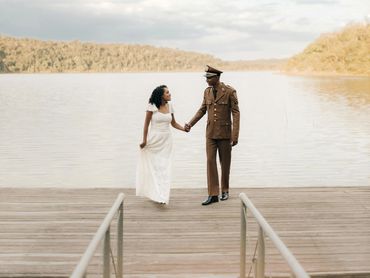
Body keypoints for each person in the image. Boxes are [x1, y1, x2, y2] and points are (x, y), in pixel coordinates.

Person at [185, 65, 240, 205]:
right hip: (210, 133)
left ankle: (225, 190)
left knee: (225, 163)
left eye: (209, 78)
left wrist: (235, 135)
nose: (207, 80)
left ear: (217, 77)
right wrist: (190, 124)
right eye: (206, 78)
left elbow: (236, 113)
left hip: (225, 133)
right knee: (210, 161)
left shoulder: (229, 91)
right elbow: (202, 109)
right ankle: (213, 194)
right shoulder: (207, 92)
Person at [136, 85, 188, 204]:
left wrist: (184, 129)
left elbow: (174, 123)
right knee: (155, 168)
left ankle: (162, 195)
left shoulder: (170, 106)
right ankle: (156, 193)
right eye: (167, 93)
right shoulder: (152, 106)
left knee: (165, 167)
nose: (170, 94)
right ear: (161, 95)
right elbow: (146, 125)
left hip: (167, 141)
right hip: (154, 140)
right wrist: (144, 141)